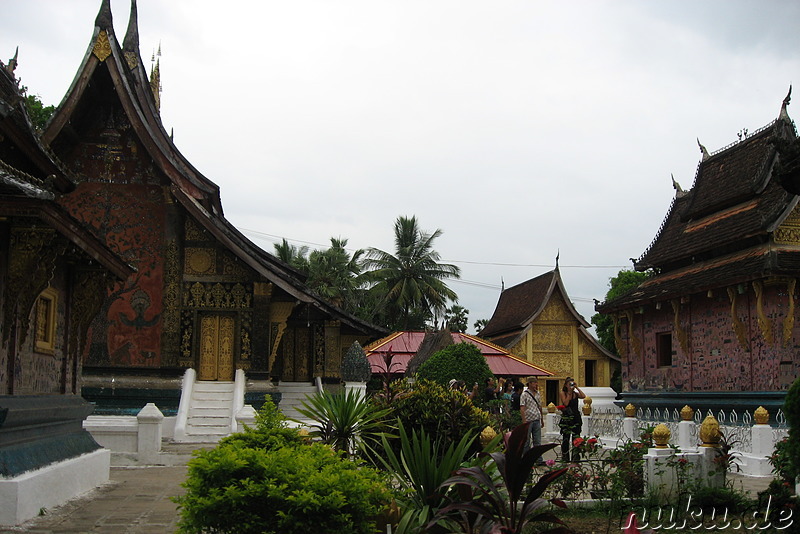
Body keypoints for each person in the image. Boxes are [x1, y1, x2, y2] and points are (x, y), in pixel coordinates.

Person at [558, 376, 586, 462]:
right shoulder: (563, 393)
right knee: (566, 438)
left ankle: (575, 456)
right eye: (570, 384)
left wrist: (577, 388)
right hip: (567, 417)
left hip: (575, 416)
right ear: (566, 385)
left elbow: (583, 396)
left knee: (576, 437)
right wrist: (569, 393)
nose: (571, 385)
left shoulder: (575, 394)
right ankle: (565, 457)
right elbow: (566, 403)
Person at [520, 379, 543, 463]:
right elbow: (522, 408)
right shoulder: (524, 394)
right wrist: (524, 421)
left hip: (536, 418)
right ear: (529, 383)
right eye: (534, 382)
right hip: (528, 419)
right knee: (526, 441)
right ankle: (526, 459)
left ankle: (538, 459)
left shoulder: (538, 393)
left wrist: (542, 419)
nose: (536, 384)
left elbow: (539, 406)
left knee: (537, 441)